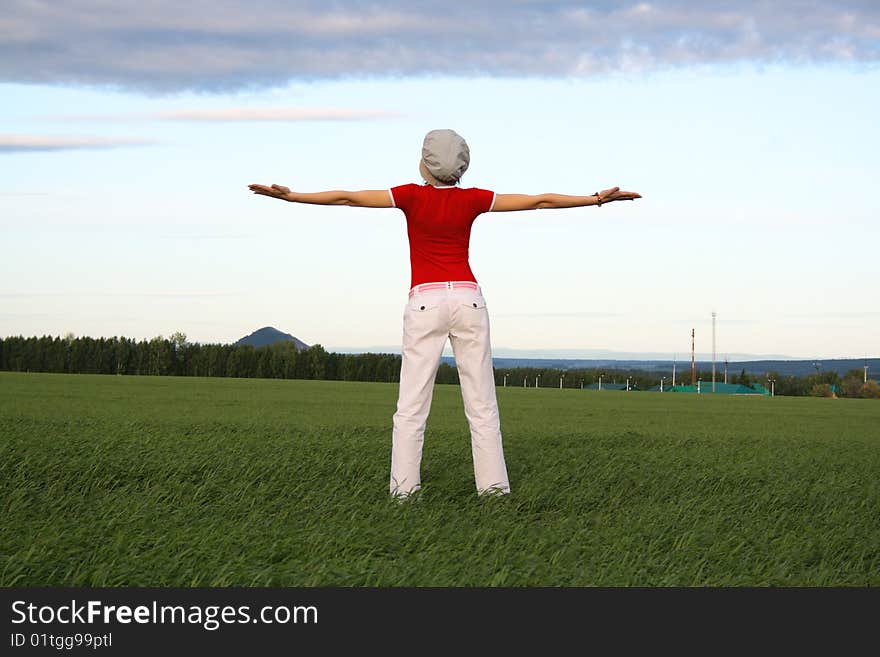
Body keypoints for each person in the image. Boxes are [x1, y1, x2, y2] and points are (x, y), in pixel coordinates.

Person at [248, 129, 641, 499]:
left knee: (412, 405)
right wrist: (595, 199)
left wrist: (292, 196)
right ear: (463, 166)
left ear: (424, 163)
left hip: (425, 302)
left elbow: (347, 198)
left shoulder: (410, 196)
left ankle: (404, 493)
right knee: (482, 403)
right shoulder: (472, 199)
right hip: (469, 299)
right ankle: (494, 493)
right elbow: (539, 201)